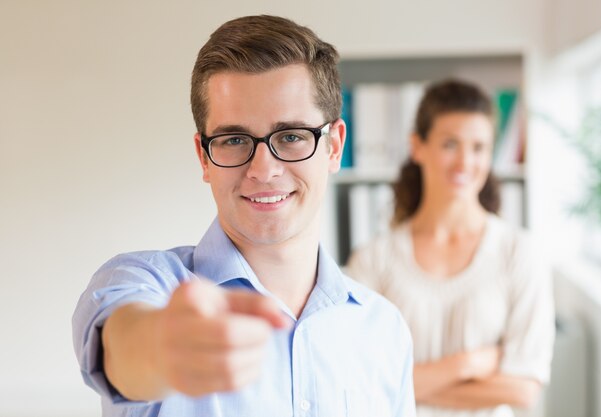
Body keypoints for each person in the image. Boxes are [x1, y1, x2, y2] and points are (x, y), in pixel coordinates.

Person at [72, 15, 416, 417]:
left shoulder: (384, 330)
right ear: (204, 157)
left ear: (334, 147)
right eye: (234, 140)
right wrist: (162, 349)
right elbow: (127, 348)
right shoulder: (147, 283)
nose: (263, 169)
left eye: (290, 136)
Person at [346, 79, 554, 417]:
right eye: (449, 144)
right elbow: (361, 379)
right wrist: (466, 365)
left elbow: (523, 387)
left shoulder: (518, 253)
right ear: (418, 147)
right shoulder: (374, 259)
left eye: (478, 147)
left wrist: (408, 383)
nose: (464, 162)